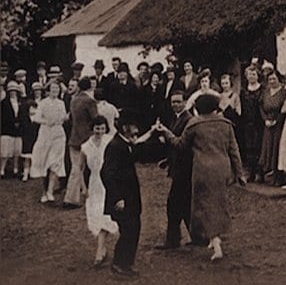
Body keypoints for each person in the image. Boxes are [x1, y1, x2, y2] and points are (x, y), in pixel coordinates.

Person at [156, 94, 246, 261]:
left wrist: (166, 133)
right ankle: (211, 238)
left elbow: (180, 145)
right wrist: (239, 173)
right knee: (218, 203)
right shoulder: (225, 124)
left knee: (205, 205)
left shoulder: (194, 124)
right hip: (222, 169)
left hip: (203, 171)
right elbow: (234, 150)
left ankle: (215, 242)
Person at [101, 109, 152, 277]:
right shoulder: (116, 146)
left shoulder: (125, 144)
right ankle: (120, 264)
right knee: (129, 230)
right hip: (122, 200)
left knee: (133, 229)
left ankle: (126, 263)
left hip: (130, 198)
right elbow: (106, 173)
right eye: (132, 126)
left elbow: (140, 154)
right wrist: (117, 197)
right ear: (124, 127)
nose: (136, 129)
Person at [145, 90, 193, 249]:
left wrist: (166, 132)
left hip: (185, 168)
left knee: (174, 204)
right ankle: (196, 236)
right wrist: (167, 160)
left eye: (179, 102)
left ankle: (173, 240)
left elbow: (183, 146)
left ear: (185, 102)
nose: (175, 105)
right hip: (178, 166)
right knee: (184, 205)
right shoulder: (177, 118)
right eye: (173, 102)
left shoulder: (188, 120)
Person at [80, 116, 118, 267]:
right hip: (94, 183)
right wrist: (83, 187)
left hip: (109, 182)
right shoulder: (85, 146)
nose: (100, 131)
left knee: (107, 215)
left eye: (102, 128)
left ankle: (100, 250)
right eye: (97, 128)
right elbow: (80, 168)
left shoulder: (110, 141)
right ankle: (102, 248)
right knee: (96, 215)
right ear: (92, 128)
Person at [30, 81, 68, 202]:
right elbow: (35, 118)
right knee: (44, 163)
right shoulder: (43, 103)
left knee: (54, 162)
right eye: (53, 88)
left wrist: (64, 118)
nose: (55, 90)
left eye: (57, 88)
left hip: (58, 134)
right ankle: (44, 192)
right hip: (45, 134)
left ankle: (50, 191)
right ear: (48, 90)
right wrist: (46, 122)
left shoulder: (61, 103)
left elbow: (63, 117)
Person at [63, 77, 98, 209]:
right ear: (90, 87)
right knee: (93, 167)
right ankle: (77, 197)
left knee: (76, 168)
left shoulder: (74, 100)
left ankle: (72, 197)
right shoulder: (90, 101)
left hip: (74, 137)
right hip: (87, 138)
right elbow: (96, 119)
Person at [258, 70, 286, 184]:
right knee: (267, 147)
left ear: (278, 79)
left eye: (274, 79)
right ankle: (267, 174)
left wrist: (277, 120)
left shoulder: (283, 92)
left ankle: (278, 176)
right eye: (270, 79)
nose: (271, 81)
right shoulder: (266, 91)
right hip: (268, 124)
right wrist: (265, 119)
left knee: (277, 147)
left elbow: (284, 108)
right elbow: (261, 106)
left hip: (278, 124)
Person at [240, 65, 264, 182]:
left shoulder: (262, 89)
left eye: (254, 74)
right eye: (250, 74)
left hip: (259, 122)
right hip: (247, 122)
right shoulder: (243, 91)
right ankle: (251, 172)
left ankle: (260, 172)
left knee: (259, 146)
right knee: (249, 148)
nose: (252, 77)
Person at [20, 83, 43, 182]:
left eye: (34, 108)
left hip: (37, 138)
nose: (33, 110)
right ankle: (25, 174)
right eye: (31, 108)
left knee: (37, 156)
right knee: (27, 158)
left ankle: (35, 173)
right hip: (27, 139)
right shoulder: (25, 120)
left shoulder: (38, 121)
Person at [0, 81, 23, 178]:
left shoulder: (21, 102)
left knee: (17, 150)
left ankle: (15, 169)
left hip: (18, 130)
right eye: (11, 91)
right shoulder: (3, 103)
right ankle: (2, 170)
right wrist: (12, 122)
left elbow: (22, 115)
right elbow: (3, 117)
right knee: (5, 151)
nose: (13, 93)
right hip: (7, 129)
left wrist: (18, 122)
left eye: (14, 91)